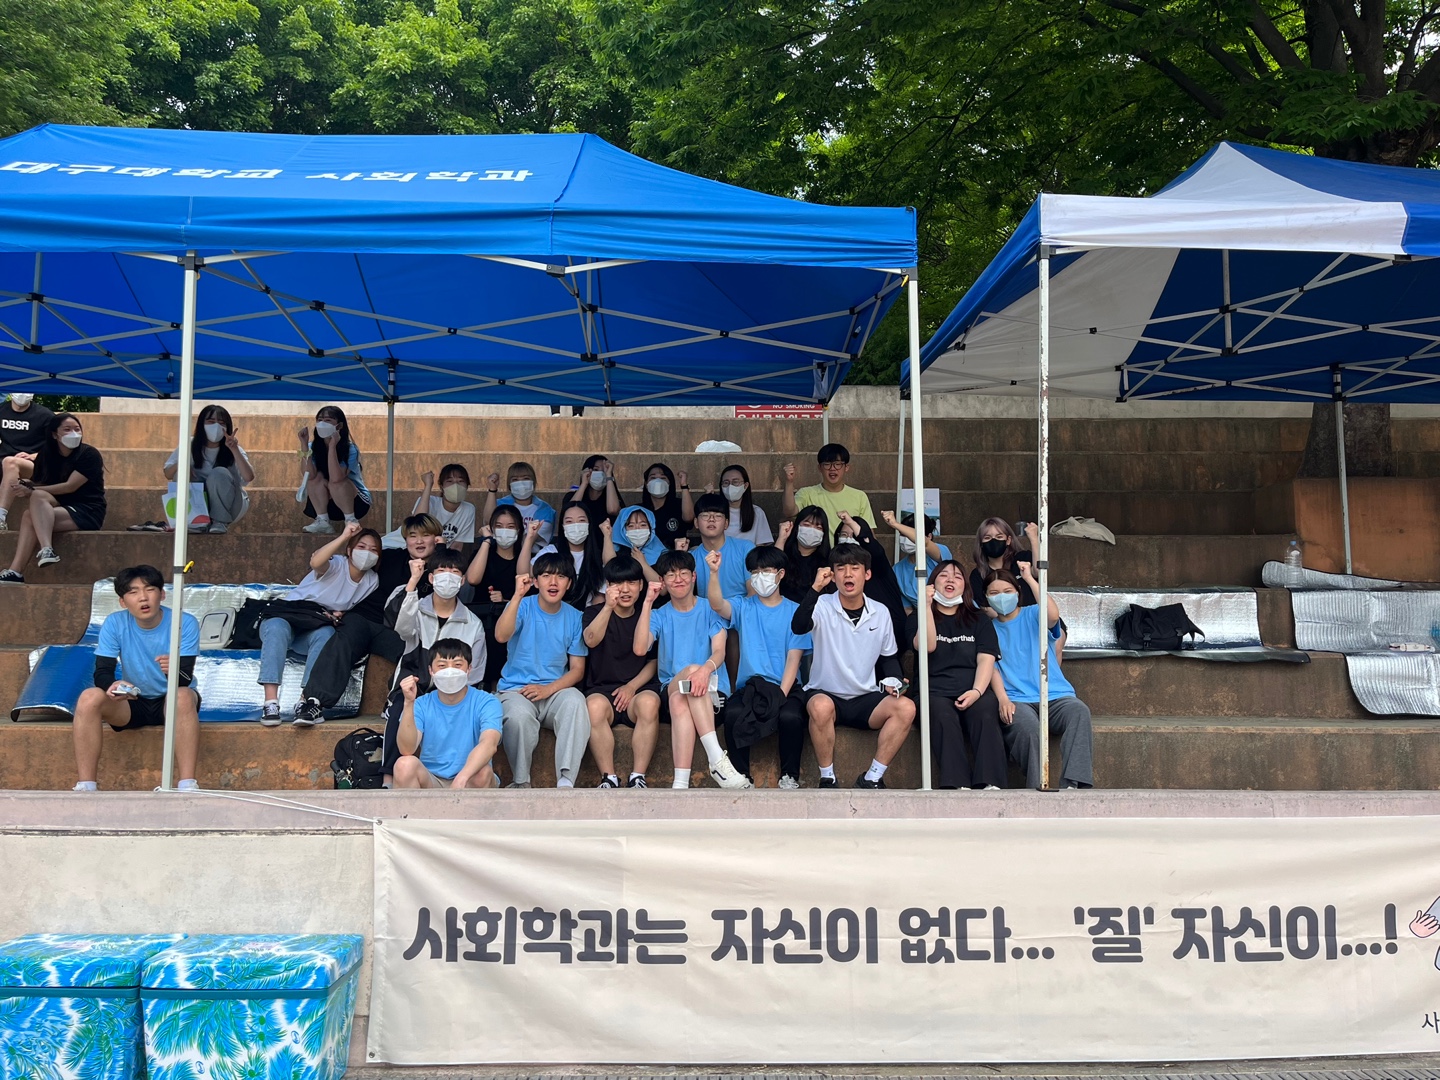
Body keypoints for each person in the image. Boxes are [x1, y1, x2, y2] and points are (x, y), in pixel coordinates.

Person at [289, 513, 441, 725]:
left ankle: (396, 702)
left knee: (415, 651)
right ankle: (313, 702)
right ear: (405, 540)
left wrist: (442, 550)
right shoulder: (389, 557)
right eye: (413, 536)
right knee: (345, 638)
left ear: (436, 538)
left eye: (425, 535)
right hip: (363, 618)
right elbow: (344, 565)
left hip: (396, 630)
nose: (419, 541)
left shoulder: (439, 568)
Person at [792, 544, 915, 789]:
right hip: (826, 693)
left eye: (855, 568)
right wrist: (815, 588)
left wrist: (894, 681)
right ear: (833, 575)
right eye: (841, 568)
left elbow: (888, 658)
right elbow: (798, 626)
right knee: (820, 706)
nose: (848, 574)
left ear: (867, 574)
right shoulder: (822, 604)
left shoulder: (880, 612)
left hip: (865, 698)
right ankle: (827, 777)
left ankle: (872, 777)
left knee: (906, 707)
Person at [71, 565, 201, 792]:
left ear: (162, 594)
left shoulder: (184, 622)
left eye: (150, 589)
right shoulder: (115, 623)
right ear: (123, 602)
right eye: (133, 592)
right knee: (88, 697)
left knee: (181, 695)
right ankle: (86, 786)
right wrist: (113, 685)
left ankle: (187, 784)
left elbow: (184, 679)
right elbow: (102, 672)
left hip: (172, 701)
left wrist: (173, 670)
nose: (143, 597)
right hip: (132, 701)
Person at [634, 552, 750, 789]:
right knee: (688, 676)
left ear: (694, 576)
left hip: (712, 692)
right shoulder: (659, 614)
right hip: (672, 684)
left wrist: (703, 672)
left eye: (683, 573)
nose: (678, 579)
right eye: (671, 575)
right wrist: (647, 603)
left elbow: (719, 651)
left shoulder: (710, 609)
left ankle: (680, 784)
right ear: (662, 581)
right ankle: (717, 759)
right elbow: (640, 648)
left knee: (681, 700)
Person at [706, 545, 810, 788]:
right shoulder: (744, 606)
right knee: (733, 714)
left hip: (785, 686)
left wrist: (780, 696)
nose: (759, 576)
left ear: (780, 574)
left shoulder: (795, 611)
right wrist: (714, 573)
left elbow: (794, 658)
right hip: (751, 687)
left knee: (791, 717)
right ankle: (741, 775)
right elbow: (717, 605)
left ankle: (789, 776)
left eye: (766, 570)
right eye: (755, 572)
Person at [258, 522, 381, 725]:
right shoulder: (337, 564)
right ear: (349, 550)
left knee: (326, 634)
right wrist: (344, 536)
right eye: (361, 547)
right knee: (277, 627)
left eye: (373, 550)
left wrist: (340, 614)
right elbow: (316, 562)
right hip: (288, 618)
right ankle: (270, 703)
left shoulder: (371, 580)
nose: (367, 553)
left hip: (313, 630)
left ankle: (306, 702)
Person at [984, 564, 1094, 790]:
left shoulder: (1034, 614)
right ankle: (1036, 789)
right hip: (1017, 699)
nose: (1001, 597)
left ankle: (1074, 784)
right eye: (994, 593)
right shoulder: (987, 629)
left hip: (1055, 694)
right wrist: (1003, 699)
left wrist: (1029, 578)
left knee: (1079, 712)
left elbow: (1053, 615)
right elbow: (991, 668)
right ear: (986, 598)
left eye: (1007, 591)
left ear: (1017, 592)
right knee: (1028, 729)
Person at [495, 553, 590, 788]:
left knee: (576, 701)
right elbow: (501, 636)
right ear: (535, 581)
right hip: (516, 690)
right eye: (546, 576)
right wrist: (517, 595)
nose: (553, 582)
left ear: (569, 583)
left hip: (554, 692)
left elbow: (577, 670)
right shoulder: (522, 606)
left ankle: (566, 781)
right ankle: (521, 783)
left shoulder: (575, 617)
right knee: (518, 717)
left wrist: (548, 690)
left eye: (561, 576)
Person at [908, 561, 1006, 790]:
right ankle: (956, 784)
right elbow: (927, 646)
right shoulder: (917, 617)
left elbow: (986, 659)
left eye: (957, 577)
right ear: (932, 583)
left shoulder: (979, 619)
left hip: (972, 688)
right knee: (942, 715)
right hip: (933, 691)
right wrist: (926, 607)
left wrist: (977, 691)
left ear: (965, 586)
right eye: (943, 575)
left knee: (985, 710)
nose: (950, 580)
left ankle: (990, 783)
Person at [582, 554, 662, 789]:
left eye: (631, 582)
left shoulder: (650, 616)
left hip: (639, 689)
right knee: (593, 707)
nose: (625, 589)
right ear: (608, 586)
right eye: (617, 583)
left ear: (641, 585)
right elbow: (590, 640)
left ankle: (638, 776)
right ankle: (609, 777)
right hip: (602, 689)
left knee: (649, 703)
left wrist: (631, 687)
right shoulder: (594, 612)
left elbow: (654, 661)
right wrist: (608, 606)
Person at [0, 412, 105, 581]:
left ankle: (45, 549)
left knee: (31, 512)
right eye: (67, 429)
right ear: (55, 434)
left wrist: (32, 490)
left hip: (87, 510)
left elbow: (70, 486)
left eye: (77, 429)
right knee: (34, 503)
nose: (74, 433)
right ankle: (16, 572)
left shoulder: (89, 454)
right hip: (59, 505)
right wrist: (25, 485)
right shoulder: (47, 454)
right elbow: (39, 482)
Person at [393, 639, 504, 790]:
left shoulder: (487, 702)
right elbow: (406, 749)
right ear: (431, 671)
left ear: (469, 669)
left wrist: (462, 778)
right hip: (432, 779)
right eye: (442, 666)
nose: (450, 671)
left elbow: (489, 743)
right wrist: (408, 703)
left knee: (482, 772)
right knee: (403, 765)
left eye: (458, 665)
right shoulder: (421, 704)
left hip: (469, 777)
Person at [161, 405, 253, 535]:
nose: (216, 426)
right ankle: (193, 521)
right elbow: (168, 473)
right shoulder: (190, 444)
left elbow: (248, 477)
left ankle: (219, 521)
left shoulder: (234, 449)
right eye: (210, 421)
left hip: (231, 505)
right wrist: (184, 463)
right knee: (180, 473)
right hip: (199, 503)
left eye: (221, 423)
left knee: (219, 472)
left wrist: (234, 449)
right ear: (201, 424)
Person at [464, 504, 526, 686]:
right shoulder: (484, 553)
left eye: (510, 526)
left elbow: (525, 578)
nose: (504, 531)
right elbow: (472, 579)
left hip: (514, 618)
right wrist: (486, 541)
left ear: (518, 530)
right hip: (483, 618)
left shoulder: (524, 556)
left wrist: (506, 601)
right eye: (499, 526)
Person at [298, 405, 371, 534]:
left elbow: (337, 477)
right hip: (325, 502)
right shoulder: (312, 447)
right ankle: (322, 521)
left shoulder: (350, 449)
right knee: (315, 479)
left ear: (339, 425)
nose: (322, 424)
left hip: (355, 502)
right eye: (319, 420)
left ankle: (350, 520)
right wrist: (304, 445)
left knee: (336, 482)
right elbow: (307, 474)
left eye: (328, 420)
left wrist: (332, 446)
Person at [382, 464, 475, 550]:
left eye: (460, 481)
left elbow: (457, 546)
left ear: (467, 486)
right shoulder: (428, 501)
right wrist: (428, 485)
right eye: (450, 481)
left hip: (425, 554)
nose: (456, 485)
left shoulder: (468, 510)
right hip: (395, 547)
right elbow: (417, 523)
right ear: (441, 487)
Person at [537, 504, 613, 609]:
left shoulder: (598, 556)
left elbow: (612, 569)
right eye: (569, 521)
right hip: (553, 612)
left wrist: (607, 536)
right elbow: (525, 573)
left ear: (589, 524)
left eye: (581, 520)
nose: (576, 525)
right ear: (562, 526)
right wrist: (530, 539)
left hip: (587, 615)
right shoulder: (551, 551)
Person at [782, 443, 875, 526]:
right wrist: (789, 482)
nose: (832, 469)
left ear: (846, 467)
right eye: (827, 464)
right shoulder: (806, 493)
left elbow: (868, 532)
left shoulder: (859, 496)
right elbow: (789, 512)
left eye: (837, 464)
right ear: (820, 468)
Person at [882, 510, 951, 614]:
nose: (906, 539)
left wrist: (895, 524)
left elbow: (925, 544)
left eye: (909, 535)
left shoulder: (941, 553)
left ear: (929, 536)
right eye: (902, 535)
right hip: (922, 617)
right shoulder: (897, 570)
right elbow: (907, 607)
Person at [690, 493, 754, 599]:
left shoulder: (745, 549)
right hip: (708, 609)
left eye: (718, 516)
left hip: (742, 609)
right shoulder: (691, 558)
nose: (711, 519)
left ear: (726, 524)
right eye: (705, 515)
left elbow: (753, 594)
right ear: (696, 523)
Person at [969, 517, 1038, 611]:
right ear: (981, 543)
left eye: (999, 537)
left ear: (1008, 540)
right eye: (987, 538)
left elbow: (1038, 571)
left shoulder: (1022, 558)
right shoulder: (978, 574)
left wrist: (1034, 538)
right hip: (1001, 620)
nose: (993, 541)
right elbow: (986, 608)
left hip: (1034, 617)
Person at [482, 460, 557, 545]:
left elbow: (533, 537)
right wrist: (492, 489)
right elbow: (488, 522)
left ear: (533, 482)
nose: (521, 483)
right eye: (515, 479)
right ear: (509, 484)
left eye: (526, 478)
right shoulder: (500, 505)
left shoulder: (545, 510)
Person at [777, 506, 831, 605]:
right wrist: (782, 539)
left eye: (818, 527)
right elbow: (772, 570)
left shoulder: (829, 561)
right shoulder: (784, 554)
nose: (812, 530)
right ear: (797, 527)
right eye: (807, 525)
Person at [637, 462, 693, 548]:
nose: (657, 481)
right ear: (646, 484)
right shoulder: (639, 510)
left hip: (675, 554)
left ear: (669, 483)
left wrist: (684, 485)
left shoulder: (679, 505)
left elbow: (689, 518)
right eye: (653, 478)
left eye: (663, 478)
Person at [611, 504, 668, 582]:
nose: (637, 529)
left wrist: (643, 563)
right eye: (631, 526)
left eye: (643, 525)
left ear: (651, 528)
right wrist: (607, 536)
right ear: (623, 530)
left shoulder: (662, 554)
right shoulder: (616, 552)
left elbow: (664, 586)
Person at [718, 464, 773, 545]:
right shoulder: (716, 512)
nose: (730, 486)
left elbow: (761, 545)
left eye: (735, 482)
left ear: (745, 485)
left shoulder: (757, 512)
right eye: (726, 483)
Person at [563, 453, 621, 526]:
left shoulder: (613, 498)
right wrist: (584, 483)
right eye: (595, 469)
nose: (600, 473)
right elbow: (570, 511)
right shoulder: (571, 496)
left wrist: (609, 476)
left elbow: (613, 510)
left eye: (604, 471)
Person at [0, 391, 53, 461]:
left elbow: (56, 445)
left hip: (33, 460)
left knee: (10, 462)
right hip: (3, 458)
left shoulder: (45, 416)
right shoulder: (2, 410)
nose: (22, 393)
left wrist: (35, 456)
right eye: (18, 389)